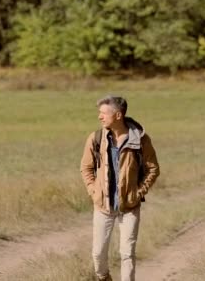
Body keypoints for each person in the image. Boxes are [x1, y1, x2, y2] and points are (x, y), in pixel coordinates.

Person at [80, 95, 160, 281]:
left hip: (129, 207)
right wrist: (93, 190)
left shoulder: (140, 139)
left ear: (117, 115)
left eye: (103, 113)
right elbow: (86, 168)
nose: (100, 117)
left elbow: (153, 169)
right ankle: (104, 277)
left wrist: (139, 192)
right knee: (98, 255)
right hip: (102, 206)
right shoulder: (96, 138)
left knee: (127, 254)